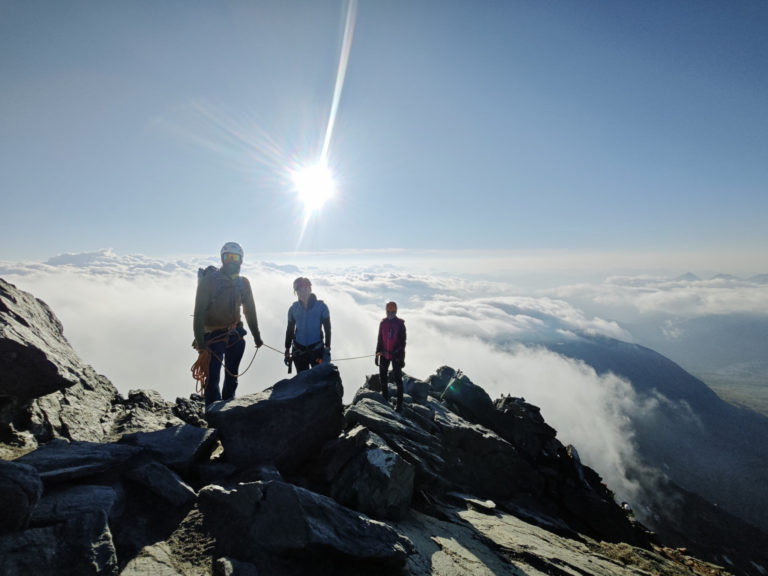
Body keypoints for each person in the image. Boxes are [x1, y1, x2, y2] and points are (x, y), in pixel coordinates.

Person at [193, 242, 262, 406]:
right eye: (228, 257)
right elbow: (199, 314)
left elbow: (249, 310)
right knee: (212, 379)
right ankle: (213, 415)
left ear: (241, 260)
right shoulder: (208, 282)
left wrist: (257, 336)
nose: (232, 261)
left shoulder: (243, 283)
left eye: (235, 257)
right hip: (212, 336)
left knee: (232, 375)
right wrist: (201, 342)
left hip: (235, 334)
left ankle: (227, 410)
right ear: (222, 259)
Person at [284, 277, 331, 373]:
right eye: (299, 290)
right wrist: (287, 349)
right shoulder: (293, 309)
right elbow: (290, 330)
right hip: (299, 351)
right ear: (296, 293)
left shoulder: (321, 307)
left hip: (317, 351)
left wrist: (327, 347)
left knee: (317, 380)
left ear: (310, 289)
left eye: (305, 289)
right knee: (302, 381)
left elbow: (327, 329)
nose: (302, 293)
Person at [376, 301, 406, 411]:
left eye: (392, 312)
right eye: (389, 311)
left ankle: (399, 404)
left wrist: (400, 357)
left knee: (398, 379)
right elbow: (380, 338)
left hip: (396, 355)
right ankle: (385, 398)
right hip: (384, 354)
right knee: (382, 377)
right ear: (386, 311)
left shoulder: (400, 324)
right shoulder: (383, 323)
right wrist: (377, 353)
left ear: (396, 311)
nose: (390, 314)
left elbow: (403, 343)